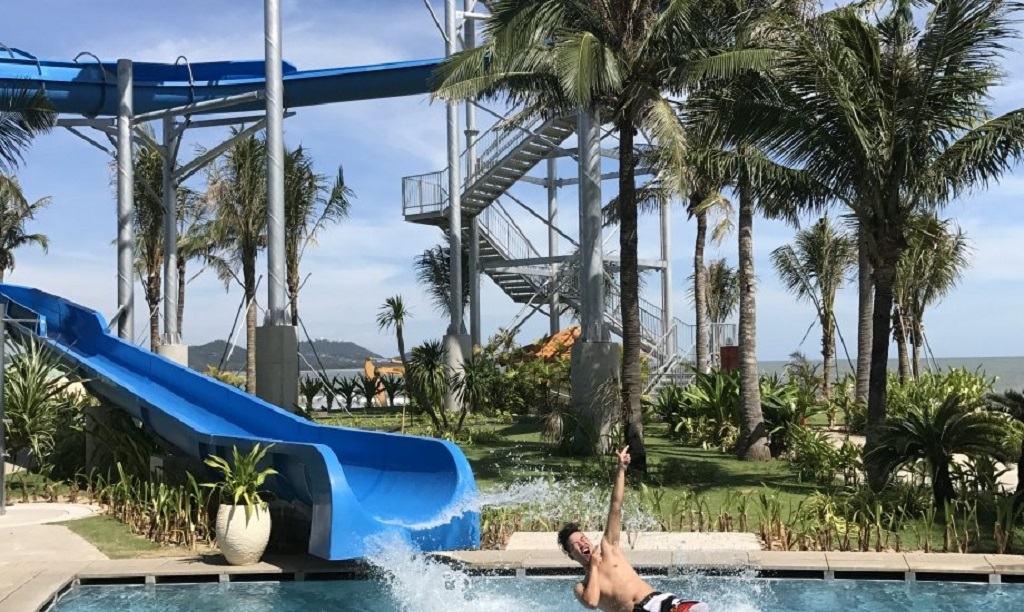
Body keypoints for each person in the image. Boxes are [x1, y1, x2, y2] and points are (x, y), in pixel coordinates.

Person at [557, 447, 709, 612]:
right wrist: (593, 566)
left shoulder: (609, 547)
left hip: (656, 603)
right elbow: (592, 602)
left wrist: (621, 469)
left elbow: (615, 506)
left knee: (699, 609)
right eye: (576, 545)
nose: (582, 544)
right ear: (571, 555)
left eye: (583, 538)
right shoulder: (582, 587)